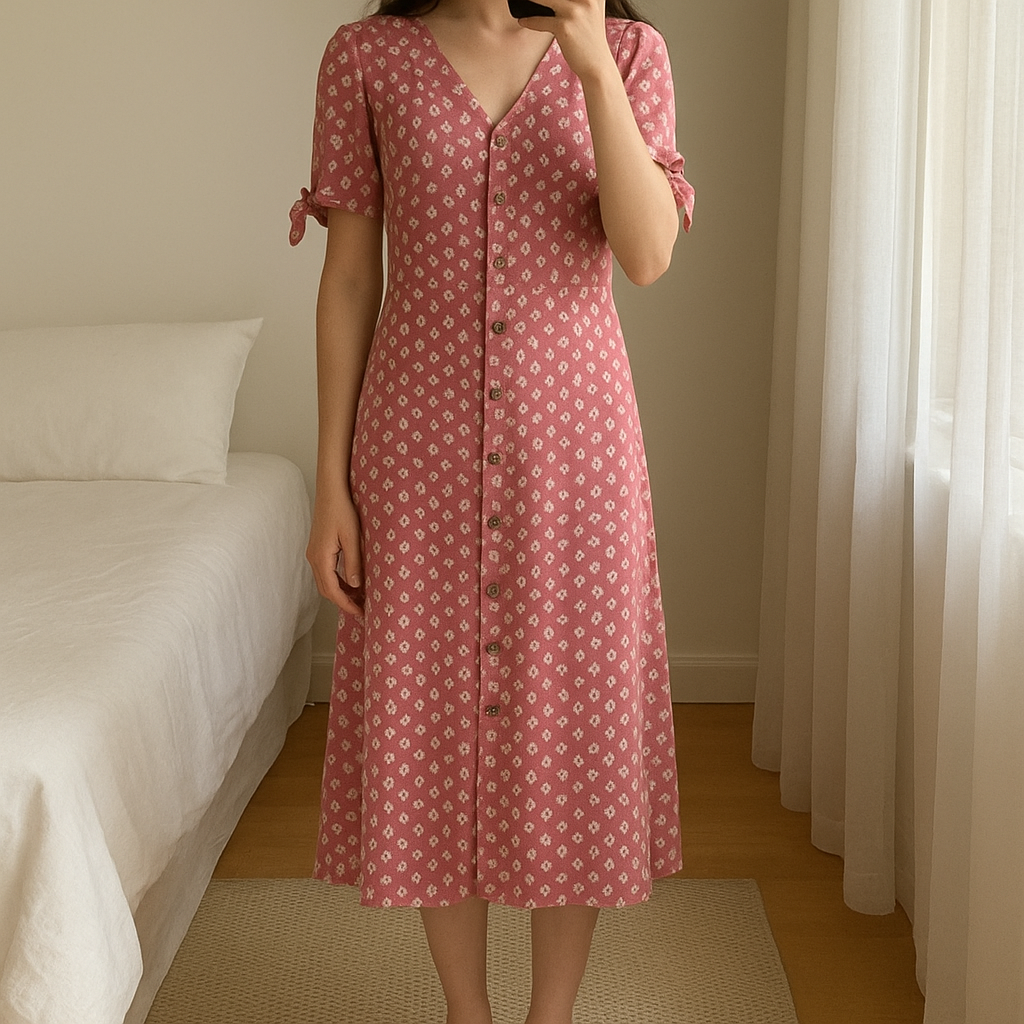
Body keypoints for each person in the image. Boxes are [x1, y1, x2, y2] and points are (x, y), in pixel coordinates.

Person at [290, 1, 693, 1021]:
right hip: (413, 453)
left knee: (575, 727)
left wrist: (593, 64)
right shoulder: (368, 56)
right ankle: (466, 1012)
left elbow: (645, 255)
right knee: (433, 726)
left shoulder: (634, 53)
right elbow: (347, 280)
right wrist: (329, 481)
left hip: (578, 454)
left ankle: (547, 1014)